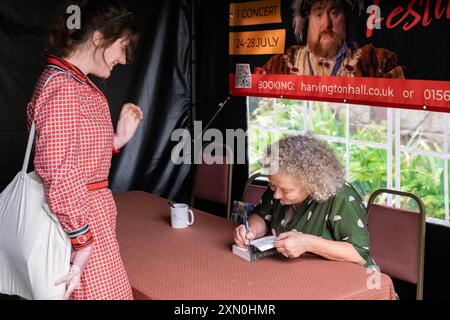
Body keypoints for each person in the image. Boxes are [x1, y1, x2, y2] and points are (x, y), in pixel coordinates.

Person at [26, 0, 143, 300]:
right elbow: (58, 168)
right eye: (123, 46)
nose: (125, 59)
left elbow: (75, 156)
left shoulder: (76, 84)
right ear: (99, 38)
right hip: (79, 225)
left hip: (92, 222)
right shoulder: (64, 86)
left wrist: (118, 139)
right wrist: (82, 240)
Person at [234, 134, 376, 267]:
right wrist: (250, 230)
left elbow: (359, 254)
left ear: (311, 183)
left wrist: (309, 243)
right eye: (272, 185)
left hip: (347, 279)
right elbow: (262, 216)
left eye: (286, 190)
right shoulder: (279, 185)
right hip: (298, 271)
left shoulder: (341, 198)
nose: (276, 195)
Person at [260, 0, 405, 78]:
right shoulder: (279, 67)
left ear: (345, 19)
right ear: (307, 19)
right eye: (318, 14)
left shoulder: (374, 64)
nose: (327, 24)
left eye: (335, 13)